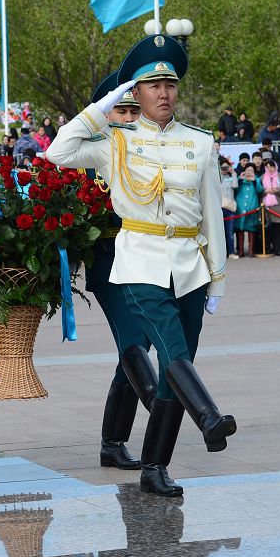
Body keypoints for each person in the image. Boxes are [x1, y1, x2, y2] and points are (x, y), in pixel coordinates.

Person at [47, 34, 234, 497]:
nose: (164, 93)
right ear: (136, 92)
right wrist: (103, 104)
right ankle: (209, 416)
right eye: (152, 86)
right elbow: (58, 152)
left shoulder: (200, 143)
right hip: (140, 262)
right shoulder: (115, 143)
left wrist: (218, 279)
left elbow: (212, 214)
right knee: (171, 350)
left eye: (170, 84)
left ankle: (155, 467)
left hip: (189, 264)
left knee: (178, 363)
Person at [83, 72, 157, 472]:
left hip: (147, 261)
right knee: (132, 341)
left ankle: (113, 442)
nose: (129, 116)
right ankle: (161, 411)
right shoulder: (93, 154)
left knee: (136, 348)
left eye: (134, 109)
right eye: (121, 109)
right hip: (110, 263)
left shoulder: (148, 151)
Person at [261, 160, 280, 256]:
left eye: (272, 166)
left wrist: (277, 190)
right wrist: (266, 191)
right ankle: (268, 248)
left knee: (279, 229)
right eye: (268, 167)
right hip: (265, 206)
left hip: (279, 205)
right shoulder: (262, 177)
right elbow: (259, 190)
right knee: (268, 229)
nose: (270, 169)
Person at [234, 166, 261, 257]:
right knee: (240, 229)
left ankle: (251, 250)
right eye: (247, 170)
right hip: (240, 208)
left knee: (251, 229)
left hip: (252, 207)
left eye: (251, 170)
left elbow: (260, 190)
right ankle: (240, 250)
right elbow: (235, 189)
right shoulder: (240, 179)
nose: (249, 172)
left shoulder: (257, 179)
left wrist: (254, 181)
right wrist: (240, 179)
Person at [219, 160, 239, 259]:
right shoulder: (217, 178)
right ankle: (222, 253)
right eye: (223, 168)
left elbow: (235, 185)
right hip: (220, 207)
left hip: (230, 207)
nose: (225, 170)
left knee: (230, 232)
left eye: (226, 167)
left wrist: (234, 173)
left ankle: (231, 252)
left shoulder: (230, 177)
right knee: (220, 232)